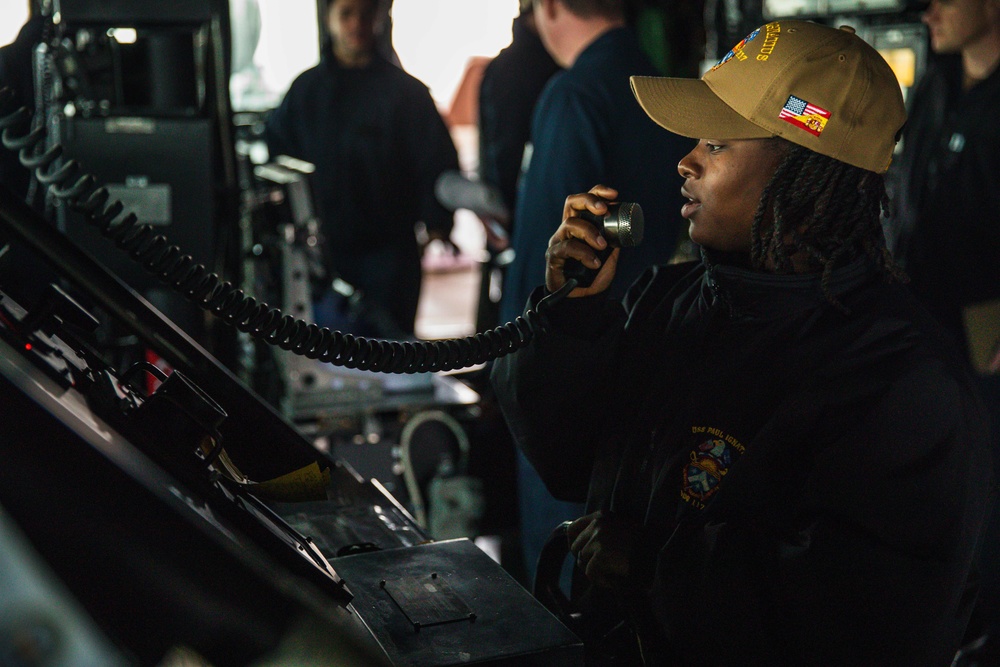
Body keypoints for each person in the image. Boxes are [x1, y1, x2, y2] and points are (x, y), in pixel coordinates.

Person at [492, 19, 995, 665]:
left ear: (806, 171)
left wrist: (653, 563)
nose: (686, 160)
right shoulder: (668, 301)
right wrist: (572, 318)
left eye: (717, 143)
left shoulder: (897, 377)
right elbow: (567, 460)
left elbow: (868, 621)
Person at [498, 0, 690, 585]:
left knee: (567, 578)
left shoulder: (573, 95)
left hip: (577, 378)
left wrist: (509, 363)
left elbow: (546, 265)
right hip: (662, 369)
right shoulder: (670, 90)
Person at [883, 0, 1000, 654]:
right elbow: (852, 133)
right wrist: (787, 110)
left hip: (986, 351)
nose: (924, 10)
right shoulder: (934, 84)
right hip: (922, 343)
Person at [264, 0, 459, 338]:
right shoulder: (305, 93)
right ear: (329, 20)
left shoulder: (407, 94)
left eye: (365, 14)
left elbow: (436, 162)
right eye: (346, 14)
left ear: (379, 20)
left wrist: (439, 223)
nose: (357, 23)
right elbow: (277, 162)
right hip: (323, 254)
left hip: (390, 256)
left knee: (392, 352)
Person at [474, 0, 561, 331]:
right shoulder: (525, 69)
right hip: (523, 221)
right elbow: (500, 153)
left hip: (517, 218)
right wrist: (501, 215)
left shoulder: (506, 67)